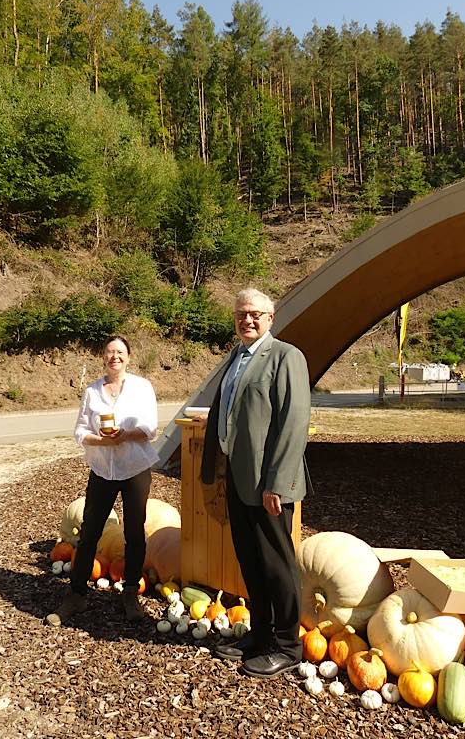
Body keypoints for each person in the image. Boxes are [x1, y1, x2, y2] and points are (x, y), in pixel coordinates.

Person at [199, 288, 311, 678]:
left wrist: (277, 483)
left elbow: (293, 424)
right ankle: (261, 633)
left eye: (255, 314)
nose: (247, 320)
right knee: (251, 559)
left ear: (271, 317)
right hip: (239, 477)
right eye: (241, 314)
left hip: (270, 485)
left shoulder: (285, 357)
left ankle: (287, 645)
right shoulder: (236, 357)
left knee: (277, 564)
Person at [46, 335, 159, 626]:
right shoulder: (93, 391)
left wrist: (125, 436)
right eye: (109, 352)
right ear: (103, 357)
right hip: (102, 469)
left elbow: (151, 428)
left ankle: (130, 592)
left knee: (134, 532)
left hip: (135, 467)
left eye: (120, 352)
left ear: (129, 357)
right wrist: (99, 440)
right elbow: (80, 431)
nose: (114, 357)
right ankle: (77, 594)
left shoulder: (142, 388)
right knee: (89, 532)